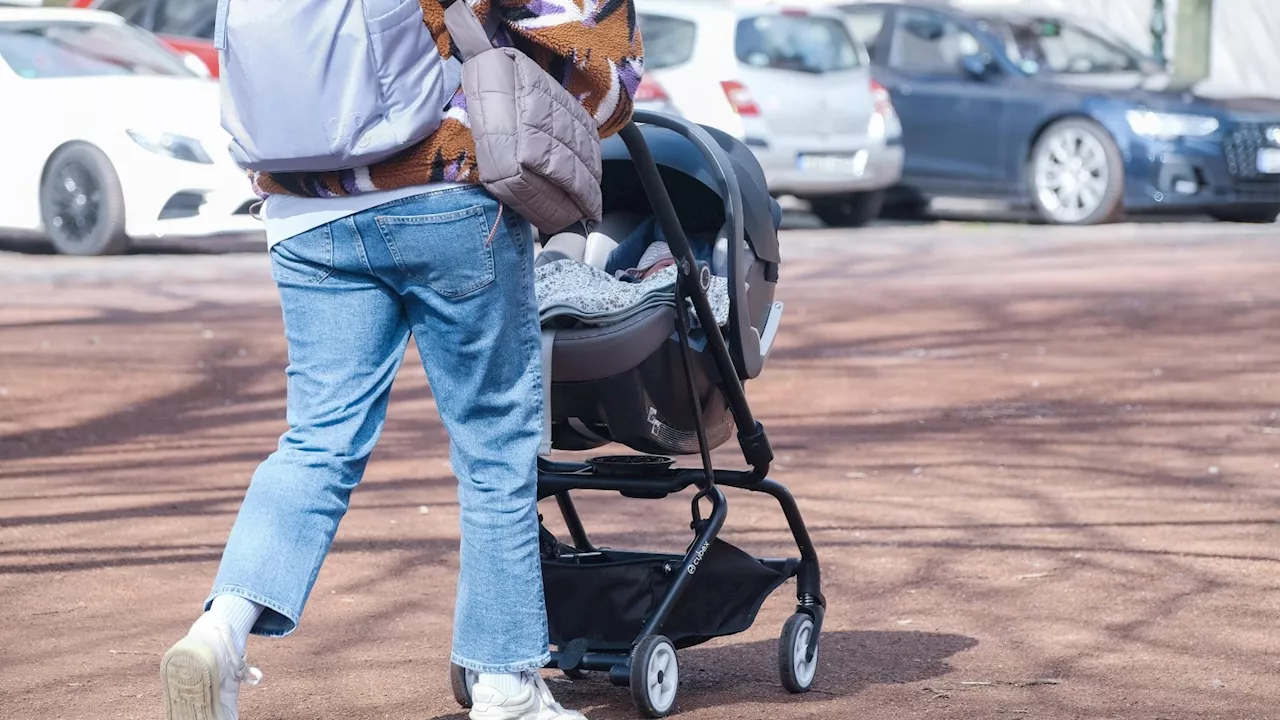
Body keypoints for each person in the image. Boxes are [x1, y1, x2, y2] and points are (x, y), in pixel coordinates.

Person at [158, 1, 642, 718]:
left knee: (317, 439)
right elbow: (585, 45)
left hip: (304, 210)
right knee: (494, 443)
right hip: (442, 197)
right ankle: (505, 683)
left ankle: (221, 629)